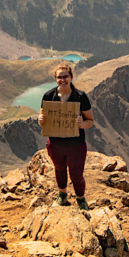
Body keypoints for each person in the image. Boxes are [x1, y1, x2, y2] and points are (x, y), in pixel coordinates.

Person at [38, 62, 95, 210]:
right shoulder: (48, 96)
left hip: (75, 145)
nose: (62, 80)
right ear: (55, 79)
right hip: (55, 144)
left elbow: (90, 121)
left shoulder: (81, 97)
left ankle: (81, 199)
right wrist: (40, 120)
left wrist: (82, 124)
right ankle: (62, 195)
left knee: (76, 175)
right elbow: (43, 117)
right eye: (59, 77)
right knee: (59, 169)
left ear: (71, 77)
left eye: (65, 76)